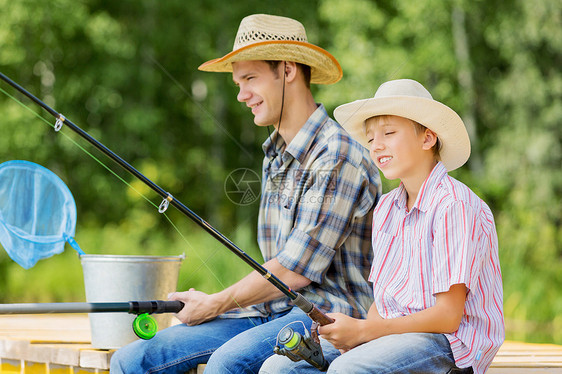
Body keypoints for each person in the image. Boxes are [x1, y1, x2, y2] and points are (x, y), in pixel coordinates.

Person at [110, 14, 381, 373]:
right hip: (271, 311)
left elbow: (293, 271)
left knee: (228, 364)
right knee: (132, 360)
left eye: (250, 78)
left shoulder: (337, 156)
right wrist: (217, 302)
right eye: (238, 82)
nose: (241, 95)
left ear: (287, 70)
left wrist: (216, 303)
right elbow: (278, 274)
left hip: (326, 316)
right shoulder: (275, 155)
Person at [260, 79, 504, 374]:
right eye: (371, 138)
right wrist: (357, 332)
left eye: (388, 133)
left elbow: (448, 316)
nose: (376, 146)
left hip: (449, 345)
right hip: (395, 334)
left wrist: (365, 333)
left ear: (427, 139)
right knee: (279, 368)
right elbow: (383, 299)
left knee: (346, 370)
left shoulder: (454, 205)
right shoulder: (387, 207)